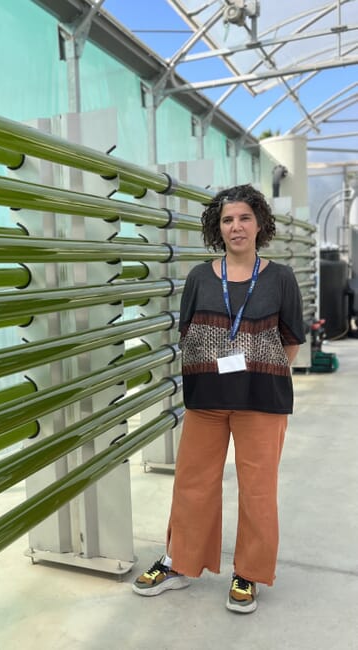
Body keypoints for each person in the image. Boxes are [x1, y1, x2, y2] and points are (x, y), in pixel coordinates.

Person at [132, 184, 305, 613]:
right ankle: (179, 562)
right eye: (228, 220)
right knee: (193, 482)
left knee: (258, 489)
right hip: (207, 399)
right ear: (218, 227)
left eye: (244, 218)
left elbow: (291, 340)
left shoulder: (280, 277)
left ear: (259, 223)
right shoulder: (199, 277)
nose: (236, 226)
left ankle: (248, 572)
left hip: (261, 400)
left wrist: (257, 369)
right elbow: (188, 333)